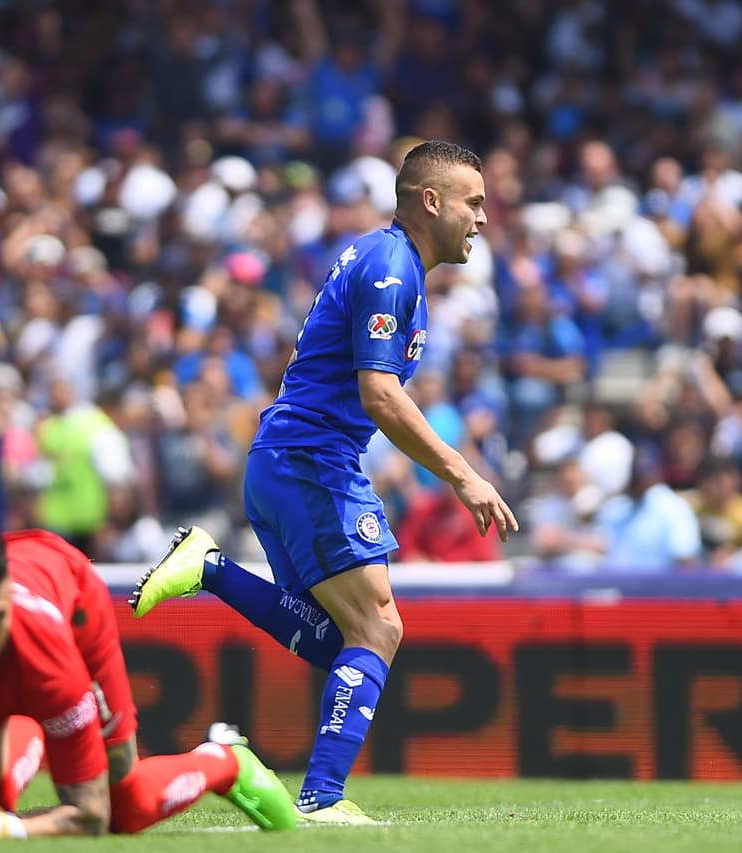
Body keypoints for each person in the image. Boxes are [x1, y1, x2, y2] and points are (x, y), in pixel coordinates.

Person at [130, 140, 518, 824]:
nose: (484, 218)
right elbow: (380, 394)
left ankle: (209, 568)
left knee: (340, 641)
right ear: (431, 202)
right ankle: (321, 797)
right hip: (311, 461)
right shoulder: (391, 268)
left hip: (286, 461)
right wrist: (465, 475)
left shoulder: (387, 261)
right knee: (379, 625)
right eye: (475, 202)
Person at [0, 522, 296, 838]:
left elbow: (89, 817)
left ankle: (224, 760)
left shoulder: (48, 650)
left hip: (74, 598)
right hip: (19, 619)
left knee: (125, 807)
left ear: (6, 603)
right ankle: (40, 727)